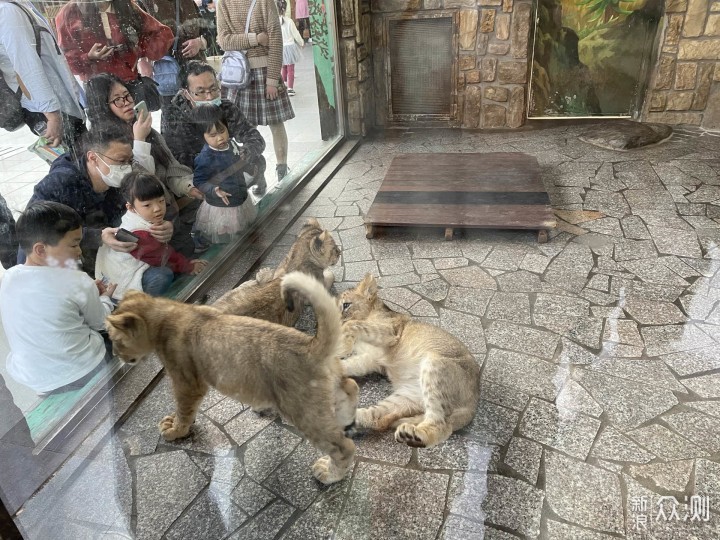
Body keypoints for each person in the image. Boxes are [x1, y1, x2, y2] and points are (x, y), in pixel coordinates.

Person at [0, 202, 117, 395]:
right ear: (40, 250)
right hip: (84, 371)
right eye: (73, 244)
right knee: (115, 326)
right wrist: (104, 298)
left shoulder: (9, 278)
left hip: (36, 381)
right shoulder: (77, 280)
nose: (79, 251)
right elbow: (100, 323)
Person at [23, 126, 174, 274]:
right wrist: (97, 236)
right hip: (50, 267)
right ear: (93, 158)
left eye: (130, 160)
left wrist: (160, 225)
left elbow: (143, 207)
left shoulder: (119, 181)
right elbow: (33, 230)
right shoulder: (60, 183)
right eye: (121, 161)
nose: (127, 168)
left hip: (107, 257)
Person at [86, 73, 202, 256]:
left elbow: (170, 164)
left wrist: (187, 186)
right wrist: (138, 140)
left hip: (167, 207)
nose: (126, 103)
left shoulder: (144, 128)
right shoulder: (109, 144)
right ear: (102, 107)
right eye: (117, 100)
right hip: (143, 220)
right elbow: (138, 183)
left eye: (127, 95)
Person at [217, 0, 295, 184]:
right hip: (238, 76)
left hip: (264, 72)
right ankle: (257, 173)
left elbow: (276, 40)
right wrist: (256, 39)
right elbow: (223, 40)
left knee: (275, 124)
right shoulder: (223, 3)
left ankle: (281, 168)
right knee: (246, 130)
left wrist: (272, 80)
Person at [95, 172, 207, 298]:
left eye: (161, 201)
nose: (157, 208)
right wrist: (189, 266)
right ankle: (147, 303)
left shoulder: (138, 216)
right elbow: (161, 256)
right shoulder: (138, 232)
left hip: (121, 270)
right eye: (147, 205)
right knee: (163, 275)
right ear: (131, 207)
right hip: (120, 284)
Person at [161, 62, 267, 194]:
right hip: (197, 173)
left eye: (213, 89)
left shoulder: (225, 107)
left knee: (258, 161)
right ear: (186, 93)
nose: (210, 97)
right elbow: (179, 159)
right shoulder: (173, 116)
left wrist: (246, 151)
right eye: (201, 92)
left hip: (227, 164)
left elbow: (254, 137)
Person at [0, 0, 86, 156]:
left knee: (80, 159)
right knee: (77, 163)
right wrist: (51, 114)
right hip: (47, 109)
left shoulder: (17, 6)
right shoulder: (7, 11)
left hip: (55, 104)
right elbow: (26, 64)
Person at [54, 0, 174, 84]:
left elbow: (162, 34)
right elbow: (66, 61)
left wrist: (136, 48)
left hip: (130, 81)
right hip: (98, 87)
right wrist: (88, 57)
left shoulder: (126, 6)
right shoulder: (70, 13)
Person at [191, 105, 258, 243]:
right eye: (213, 135)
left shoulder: (232, 144)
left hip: (240, 199)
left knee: (242, 231)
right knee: (227, 237)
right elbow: (199, 181)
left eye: (222, 131)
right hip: (222, 207)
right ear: (203, 137)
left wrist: (248, 167)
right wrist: (214, 190)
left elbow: (237, 164)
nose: (220, 138)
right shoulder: (205, 157)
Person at [135, 0, 208, 111]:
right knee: (172, 118)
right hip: (166, 72)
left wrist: (199, 42)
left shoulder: (188, 2)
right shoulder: (145, 2)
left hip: (196, 71)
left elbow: (207, 32)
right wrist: (142, 60)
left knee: (202, 117)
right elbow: (137, 36)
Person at [277, 0, 303, 96]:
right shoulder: (289, 21)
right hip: (290, 47)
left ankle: (283, 86)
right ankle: (290, 88)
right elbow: (295, 34)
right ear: (286, 8)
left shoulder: (276, 22)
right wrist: (301, 42)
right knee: (290, 69)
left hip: (281, 47)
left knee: (283, 68)